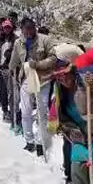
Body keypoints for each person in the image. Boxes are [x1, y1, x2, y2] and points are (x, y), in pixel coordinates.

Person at [8, 17, 58, 157]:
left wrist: (38, 64)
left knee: (42, 111)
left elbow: (53, 58)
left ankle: (41, 142)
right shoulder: (19, 43)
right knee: (25, 110)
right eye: (26, 29)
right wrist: (10, 69)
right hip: (26, 78)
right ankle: (29, 139)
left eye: (31, 28)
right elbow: (14, 59)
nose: (29, 32)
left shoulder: (45, 40)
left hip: (43, 79)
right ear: (22, 30)